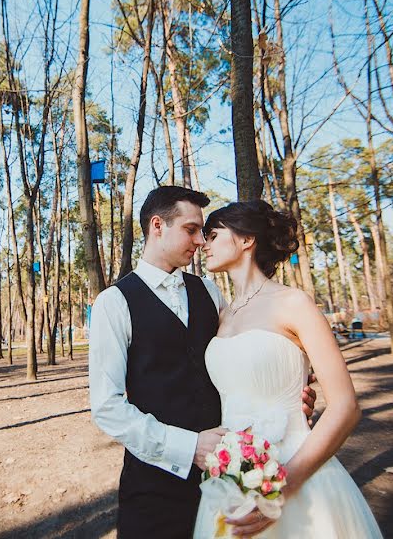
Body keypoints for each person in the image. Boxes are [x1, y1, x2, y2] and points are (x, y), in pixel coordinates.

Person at [89, 186, 317, 538]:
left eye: (203, 232)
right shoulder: (114, 303)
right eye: (191, 229)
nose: (199, 241)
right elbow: (107, 407)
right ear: (157, 226)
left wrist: (285, 395)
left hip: (230, 480)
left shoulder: (209, 292)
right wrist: (189, 446)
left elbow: (243, 357)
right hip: (154, 487)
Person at [193, 200, 382, 538]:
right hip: (231, 478)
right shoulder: (223, 314)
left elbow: (346, 407)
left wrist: (280, 486)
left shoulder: (294, 303)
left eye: (213, 235)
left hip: (294, 470)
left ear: (247, 239)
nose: (204, 244)